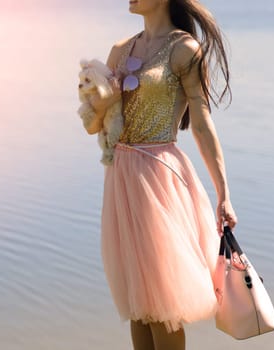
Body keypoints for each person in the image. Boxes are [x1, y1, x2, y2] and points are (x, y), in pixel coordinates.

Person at [83, 1, 239, 349]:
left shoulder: (184, 49)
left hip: (159, 177)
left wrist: (223, 193)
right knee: (138, 304)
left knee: (160, 303)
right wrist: (96, 102)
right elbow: (98, 127)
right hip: (121, 176)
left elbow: (200, 124)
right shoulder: (120, 50)